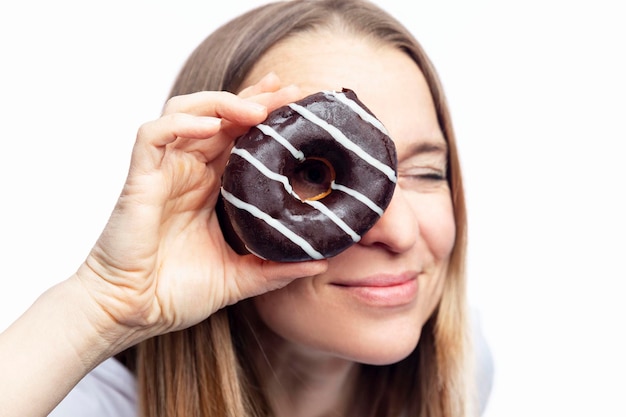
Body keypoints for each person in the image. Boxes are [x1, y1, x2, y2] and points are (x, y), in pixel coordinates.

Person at [0, 0, 493, 416]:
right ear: (215, 201)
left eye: (427, 173)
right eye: (312, 175)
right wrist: (103, 305)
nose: (401, 232)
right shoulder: (82, 403)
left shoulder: (462, 371)